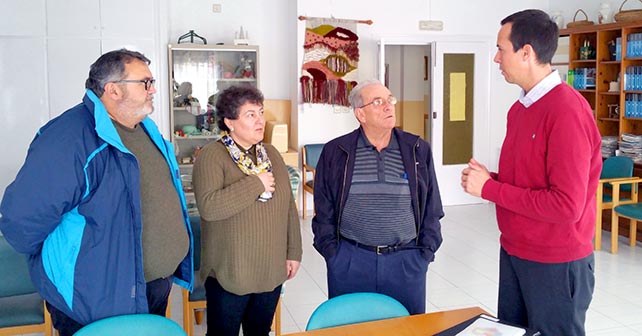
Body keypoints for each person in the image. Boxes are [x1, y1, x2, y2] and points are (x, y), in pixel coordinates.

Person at [0, 49, 194, 336]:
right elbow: (20, 223)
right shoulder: (67, 139)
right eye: (145, 83)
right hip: (96, 297)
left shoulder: (144, 128)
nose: (153, 90)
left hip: (151, 285)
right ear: (112, 89)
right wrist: (66, 265)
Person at [460, 9, 600, 335]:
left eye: (501, 49)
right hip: (514, 251)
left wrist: (490, 190)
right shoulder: (520, 108)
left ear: (527, 53)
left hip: (555, 262)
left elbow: (566, 205)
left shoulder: (567, 110)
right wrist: (490, 180)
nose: (496, 58)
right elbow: (529, 182)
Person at [311, 79, 444, 315]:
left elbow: (432, 207)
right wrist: (334, 254)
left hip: (406, 261)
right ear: (360, 114)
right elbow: (323, 209)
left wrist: (424, 254)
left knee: (407, 330)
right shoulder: (336, 151)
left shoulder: (417, 149)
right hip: (351, 261)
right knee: (352, 329)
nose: (389, 106)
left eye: (390, 99)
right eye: (378, 102)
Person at [192, 85, 302, 335]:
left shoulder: (271, 154)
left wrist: (294, 251)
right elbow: (209, 207)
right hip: (230, 272)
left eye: (261, 112)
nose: (260, 121)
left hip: (269, 270)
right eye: (250, 114)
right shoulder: (212, 156)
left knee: (260, 331)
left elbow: (287, 207)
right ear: (229, 122)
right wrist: (256, 183)